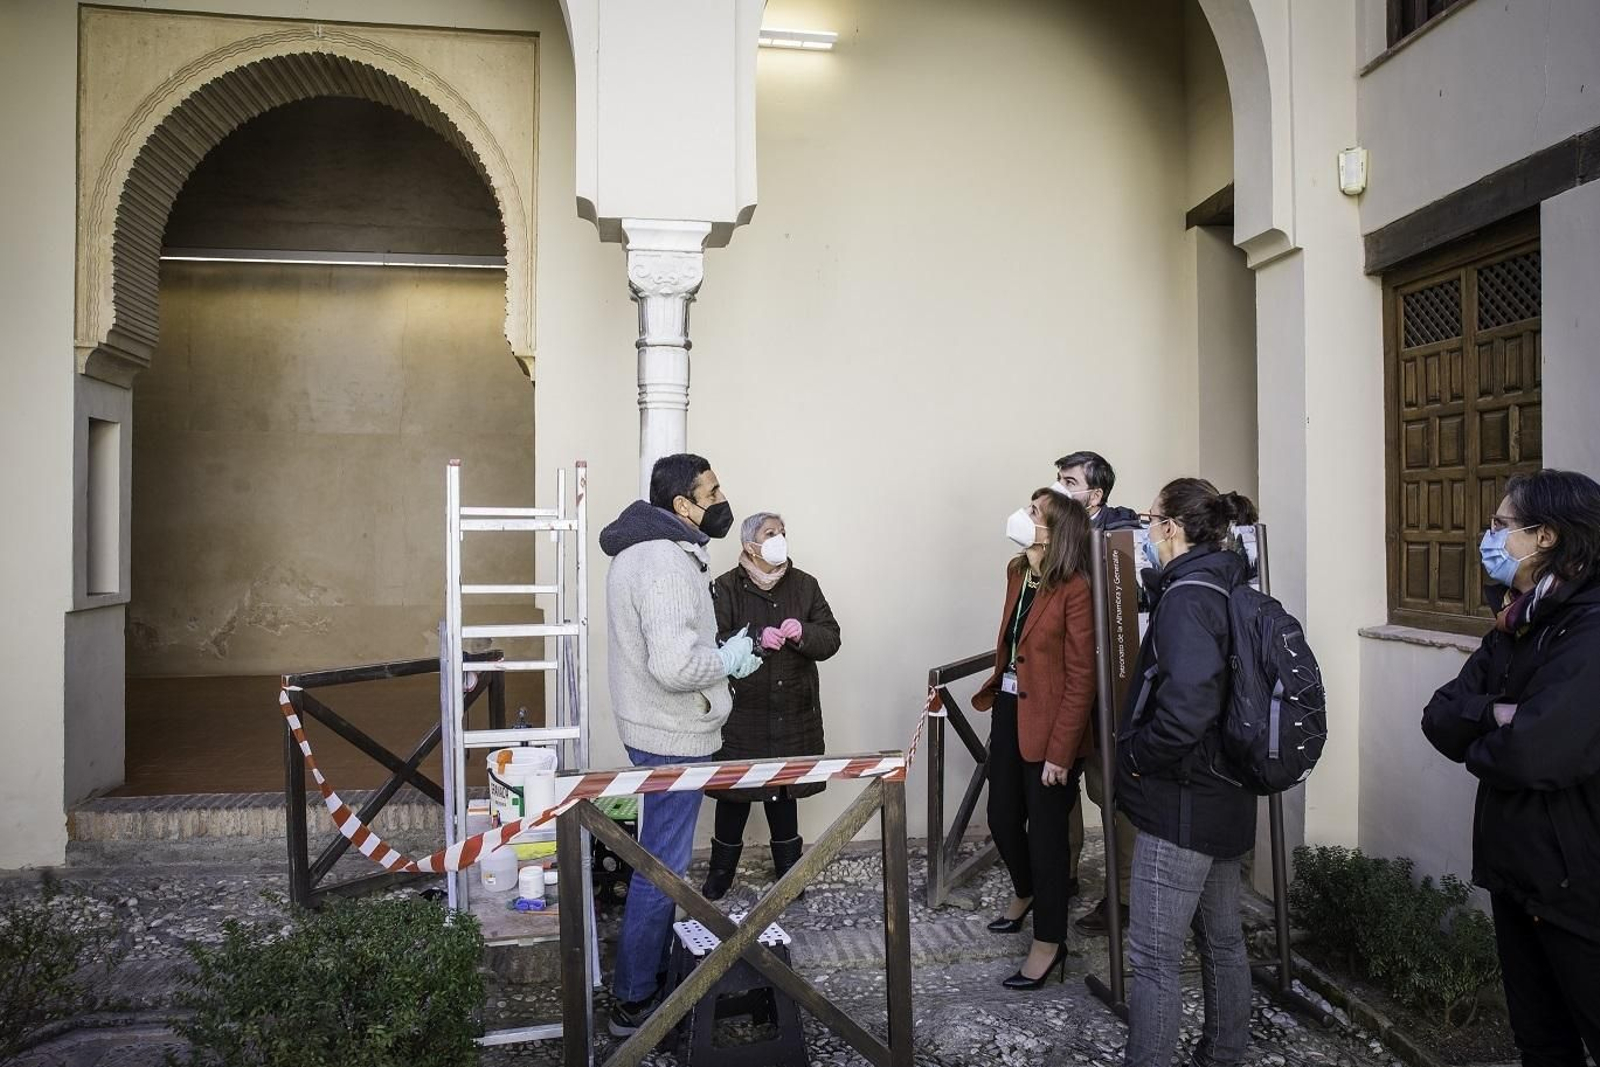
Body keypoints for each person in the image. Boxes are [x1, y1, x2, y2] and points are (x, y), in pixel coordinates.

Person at [1421, 469, 1600, 1067]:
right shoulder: (1517, 623)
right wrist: (1497, 714)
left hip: (1578, 885)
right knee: (1541, 1043)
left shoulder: (1588, 627)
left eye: (1500, 525)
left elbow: (1535, 752)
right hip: (1515, 874)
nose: (1488, 537)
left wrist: (1488, 741)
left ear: (1545, 535)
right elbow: (1439, 717)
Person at [598, 453, 763, 1037]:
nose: (722, 500)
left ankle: (647, 979)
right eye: (712, 492)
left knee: (658, 859)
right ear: (682, 506)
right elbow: (674, 666)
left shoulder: (646, 552)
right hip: (671, 734)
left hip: (655, 727)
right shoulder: (664, 562)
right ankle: (635, 1000)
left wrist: (718, 653)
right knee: (662, 868)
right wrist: (728, 660)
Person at [1117, 477, 1258, 1067]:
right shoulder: (1230, 580)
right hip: (1229, 789)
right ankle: (1223, 1055)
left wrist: (1136, 758)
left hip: (1184, 801)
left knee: (1153, 956)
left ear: (1172, 528)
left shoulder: (1187, 597)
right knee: (1223, 941)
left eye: (1151, 520)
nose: (1147, 531)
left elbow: (1185, 711)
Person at [972, 487, 1096, 990]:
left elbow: (1081, 677)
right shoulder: (1018, 572)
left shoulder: (1076, 588)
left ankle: (1049, 942)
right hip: (1009, 712)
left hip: (1052, 726)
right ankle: (1024, 892)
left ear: (1054, 530)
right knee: (1001, 817)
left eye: (1033, 512)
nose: (1022, 516)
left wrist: (1061, 753)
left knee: (1047, 839)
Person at [700, 512, 842, 901]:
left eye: (782, 532)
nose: (780, 538)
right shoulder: (725, 587)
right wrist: (755, 638)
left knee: (784, 793)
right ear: (750, 546)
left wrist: (805, 632)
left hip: (793, 710)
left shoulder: (805, 585)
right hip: (741, 714)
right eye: (770, 533)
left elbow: (831, 637)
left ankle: (789, 875)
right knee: (734, 795)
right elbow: (711, 641)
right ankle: (720, 874)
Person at [1053, 449, 1140, 937]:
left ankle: (1123, 896)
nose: (1059, 489)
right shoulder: (1056, 535)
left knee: (1111, 793)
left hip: (1109, 692)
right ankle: (1062, 874)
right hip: (1066, 686)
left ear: (1096, 494)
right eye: (1058, 479)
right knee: (1059, 782)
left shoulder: (1119, 537)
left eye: (1069, 482)